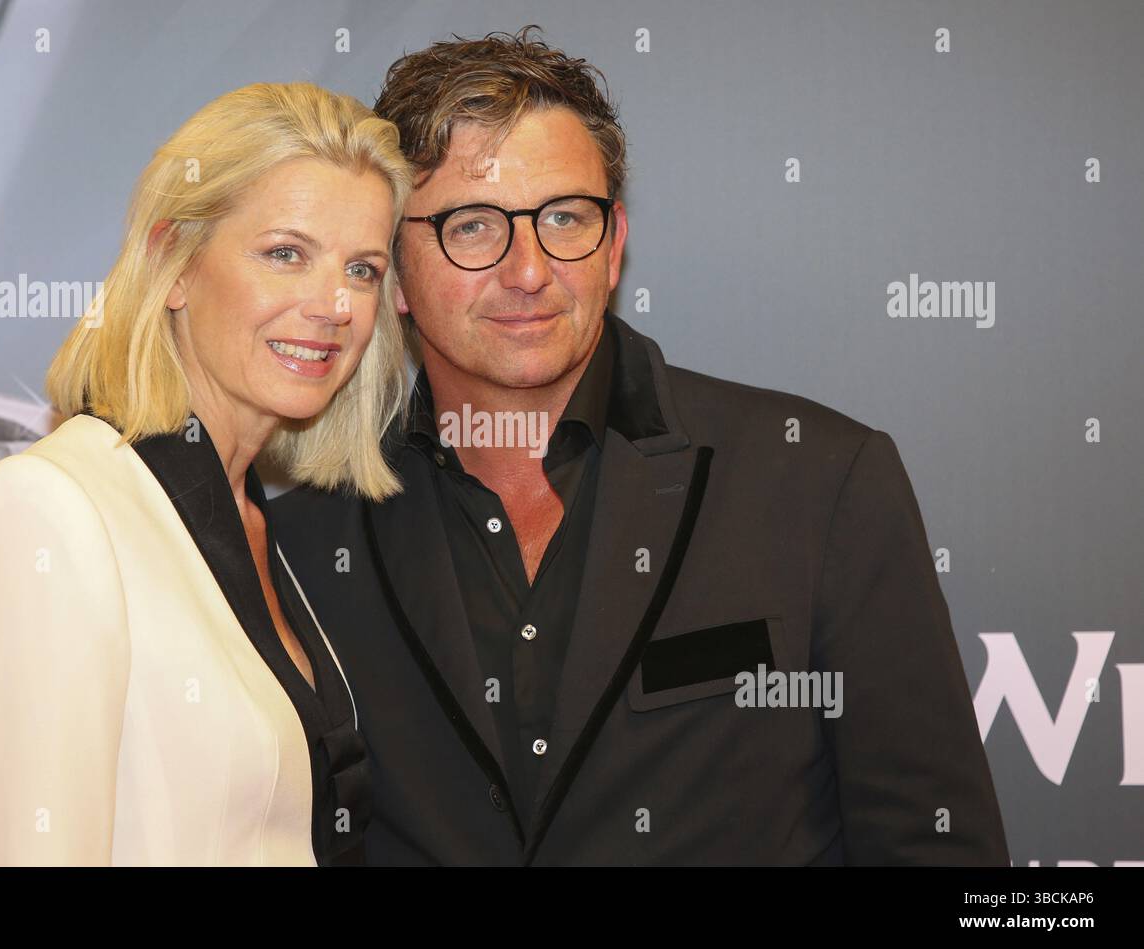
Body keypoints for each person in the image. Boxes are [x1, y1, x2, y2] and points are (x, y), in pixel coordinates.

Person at [269, 27, 1011, 864]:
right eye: (473, 226)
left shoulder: (819, 484)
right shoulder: (299, 545)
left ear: (615, 243)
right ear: (396, 269)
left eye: (564, 217)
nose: (528, 269)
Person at [0, 82, 412, 865]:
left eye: (362, 269)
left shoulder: (259, 522)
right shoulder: (50, 510)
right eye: (285, 253)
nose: (334, 304)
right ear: (173, 262)